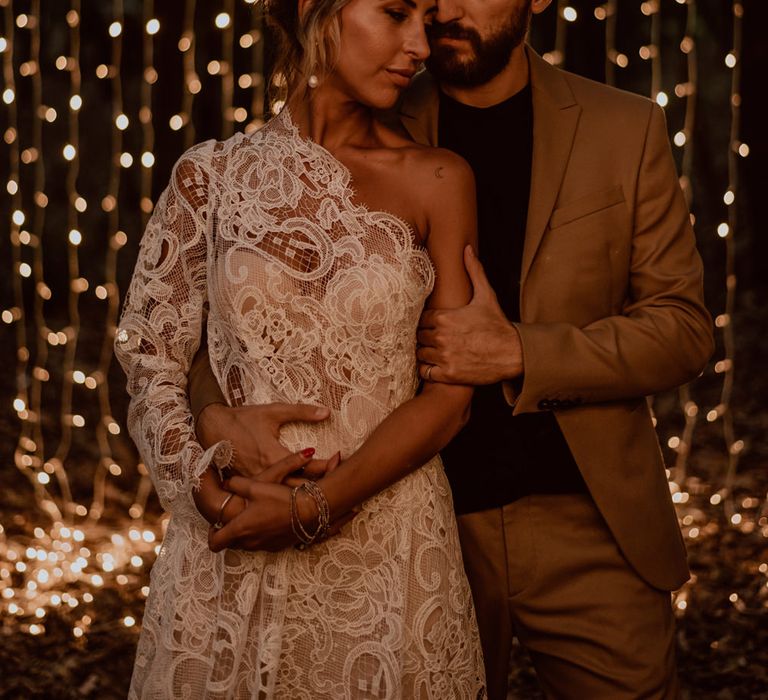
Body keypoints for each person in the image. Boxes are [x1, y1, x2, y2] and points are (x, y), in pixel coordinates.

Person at [189, 0, 715, 697]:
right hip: (406, 522)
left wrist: (521, 353)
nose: (446, 8)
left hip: (585, 520)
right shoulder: (369, 107)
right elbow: (230, 321)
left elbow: (683, 330)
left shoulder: (625, 127)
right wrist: (209, 413)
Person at [114, 0, 490, 694]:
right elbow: (149, 351)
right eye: (396, 13)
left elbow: (450, 394)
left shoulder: (440, 178)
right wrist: (210, 496)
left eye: (426, 23)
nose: (419, 45)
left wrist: (311, 511)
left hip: (388, 542)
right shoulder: (211, 177)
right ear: (319, 10)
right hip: (231, 534)